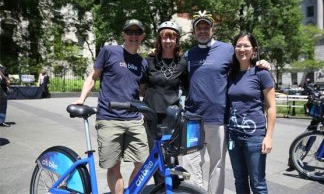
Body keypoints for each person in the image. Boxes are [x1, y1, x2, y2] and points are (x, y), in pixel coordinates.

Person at [181, 10, 270, 194]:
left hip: (218, 119)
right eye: (199, 28)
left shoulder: (227, 50)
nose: (203, 31)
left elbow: (245, 62)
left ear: (213, 30)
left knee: (217, 166)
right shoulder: (188, 55)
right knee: (189, 164)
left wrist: (262, 62)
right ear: (194, 31)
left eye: (206, 27)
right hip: (192, 119)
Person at [74, 19, 149, 194]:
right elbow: (93, 77)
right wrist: (81, 99)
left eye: (137, 32)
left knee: (143, 162)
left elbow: (142, 88)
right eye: (129, 32)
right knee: (114, 166)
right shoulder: (109, 52)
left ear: (142, 36)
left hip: (134, 120)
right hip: (109, 118)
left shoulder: (143, 63)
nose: (133, 35)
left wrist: (141, 107)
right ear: (123, 34)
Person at [227, 32, 276, 194]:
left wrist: (268, 137)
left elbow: (271, 107)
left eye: (246, 46)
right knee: (240, 181)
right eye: (238, 45)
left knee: (258, 183)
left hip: (255, 137)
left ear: (254, 50)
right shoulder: (231, 74)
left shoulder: (262, 73)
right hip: (233, 136)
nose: (242, 49)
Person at [142, 21, 187, 184]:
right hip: (152, 115)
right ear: (159, 40)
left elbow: (188, 87)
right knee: (155, 154)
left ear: (177, 40)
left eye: (172, 37)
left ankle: (173, 187)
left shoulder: (182, 62)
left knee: (171, 155)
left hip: (172, 116)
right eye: (164, 37)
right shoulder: (149, 61)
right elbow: (142, 87)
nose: (168, 41)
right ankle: (160, 187)